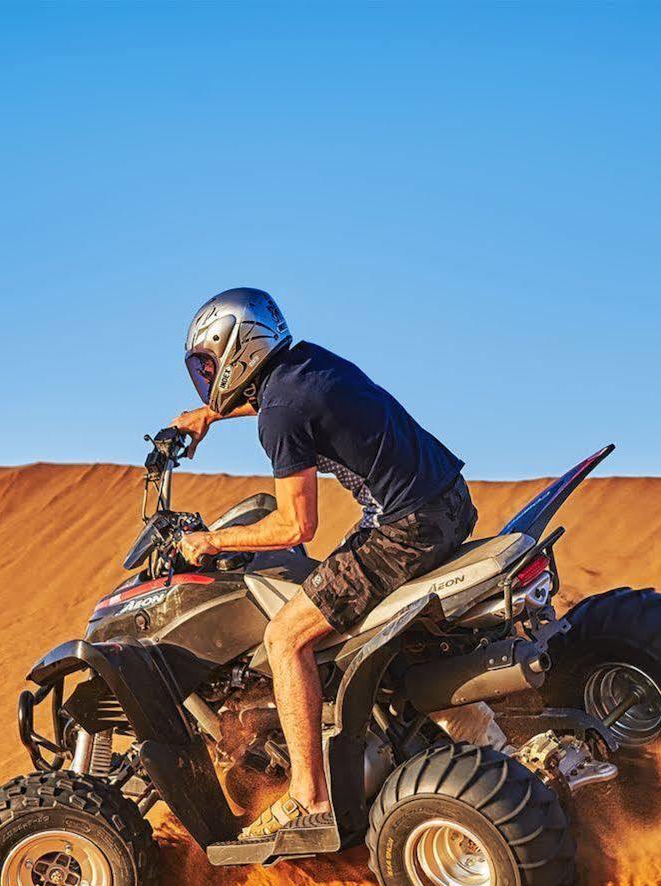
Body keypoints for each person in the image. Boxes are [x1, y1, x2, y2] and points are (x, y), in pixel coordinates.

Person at [167, 287, 476, 841]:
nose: (208, 374)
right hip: (449, 500)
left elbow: (293, 527)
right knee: (346, 610)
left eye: (210, 363)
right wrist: (210, 415)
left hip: (406, 529)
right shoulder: (307, 364)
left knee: (287, 637)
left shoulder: (280, 416)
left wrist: (210, 542)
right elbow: (280, 403)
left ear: (237, 348)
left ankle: (309, 797)